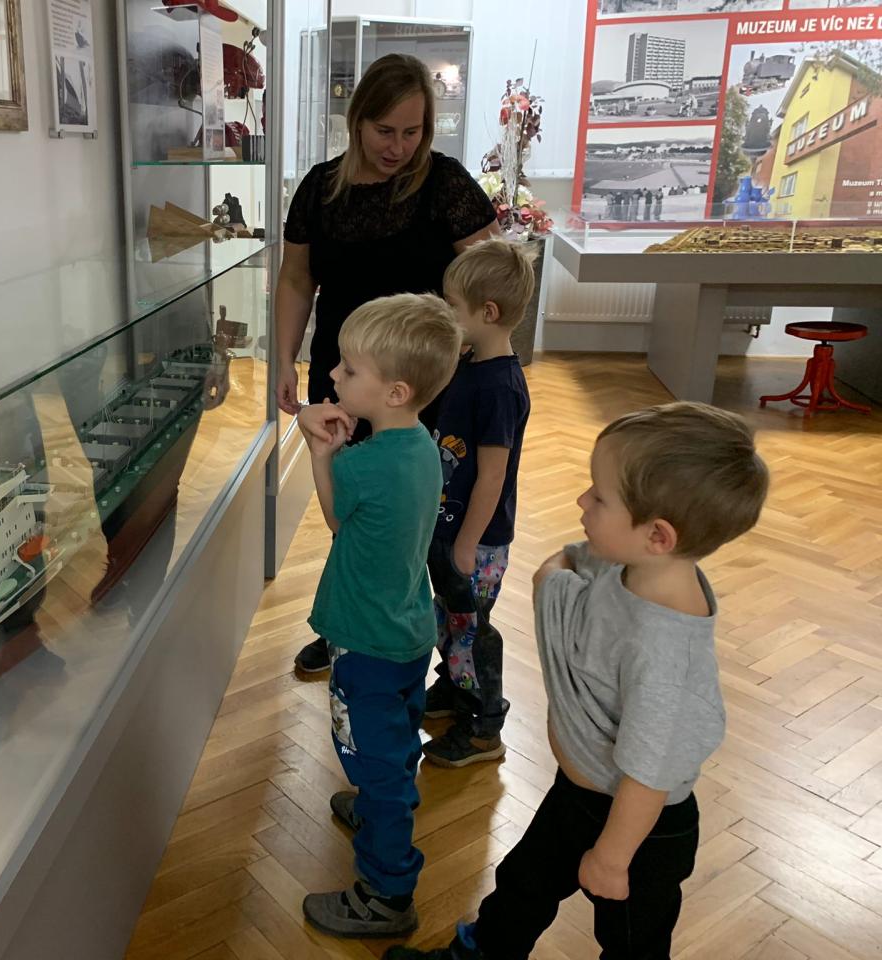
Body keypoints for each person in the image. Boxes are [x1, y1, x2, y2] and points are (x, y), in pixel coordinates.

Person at [385, 401, 770, 960]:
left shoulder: (667, 660)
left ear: (658, 536)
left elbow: (650, 772)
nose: (582, 501)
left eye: (600, 496)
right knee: (521, 889)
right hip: (578, 793)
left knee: (632, 942)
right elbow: (573, 566)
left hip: (639, 830)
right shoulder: (631, 567)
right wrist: (556, 577)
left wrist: (613, 857)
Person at [276, 52, 499, 677]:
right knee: (352, 501)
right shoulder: (320, 188)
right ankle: (348, 621)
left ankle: (416, 633)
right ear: (357, 121)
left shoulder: (444, 182)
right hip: (348, 371)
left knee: (418, 511)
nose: (398, 147)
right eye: (384, 131)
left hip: (424, 380)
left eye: (413, 131)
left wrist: (478, 354)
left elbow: (493, 280)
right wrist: (284, 358)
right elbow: (296, 280)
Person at [295, 293, 463, 939]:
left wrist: (320, 452)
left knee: (373, 756)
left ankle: (385, 893)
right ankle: (378, 797)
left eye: (348, 368)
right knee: (394, 738)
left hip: (366, 642)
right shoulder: (421, 445)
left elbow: (337, 518)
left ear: (394, 392)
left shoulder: (363, 463)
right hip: (406, 631)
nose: (334, 375)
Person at [422, 239, 536, 768]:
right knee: (451, 618)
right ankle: (453, 688)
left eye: (453, 307)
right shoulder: (469, 364)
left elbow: (493, 476)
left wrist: (467, 544)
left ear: (487, 313)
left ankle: (485, 723)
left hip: (478, 540)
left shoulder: (501, 387)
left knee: (471, 626)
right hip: (448, 526)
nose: (446, 314)